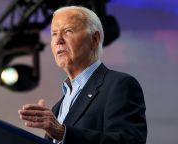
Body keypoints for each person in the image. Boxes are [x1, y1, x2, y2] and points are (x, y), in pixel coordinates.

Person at [18, 6, 147, 144]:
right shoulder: (57, 107)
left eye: (68, 31)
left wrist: (63, 133)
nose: (58, 40)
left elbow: (130, 142)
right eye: (54, 33)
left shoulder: (119, 85)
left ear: (94, 39)